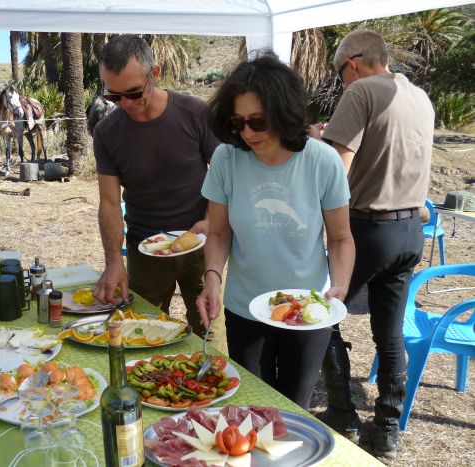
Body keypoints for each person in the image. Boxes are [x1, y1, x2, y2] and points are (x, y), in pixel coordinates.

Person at [196, 52, 355, 409]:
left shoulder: (322, 160)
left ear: (284, 113)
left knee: (292, 408)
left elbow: (341, 238)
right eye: (238, 123)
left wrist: (339, 287)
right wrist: (212, 280)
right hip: (244, 308)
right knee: (252, 404)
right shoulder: (226, 158)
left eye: (258, 121)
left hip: (305, 310)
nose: (247, 133)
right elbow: (219, 232)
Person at [317, 30, 434, 459]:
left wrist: (318, 142)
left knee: (323, 313)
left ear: (352, 64)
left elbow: (336, 170)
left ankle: (343, 413)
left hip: (367, 228)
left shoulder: (361, 90)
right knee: (389, 334)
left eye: (339, 73)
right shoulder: (419, 96)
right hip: (410, 231)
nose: (341, 82)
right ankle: (386, 427)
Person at [91, 34, 220, 338]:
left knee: (210, 336)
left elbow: (226, 174)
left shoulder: (195, 114)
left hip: (199, 244)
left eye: (134, 93)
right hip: (145, 250)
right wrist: (114, 262)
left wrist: (212, 219)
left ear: (155, 74)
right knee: (142, 336)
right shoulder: (107, 133)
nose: (125, 104)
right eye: (114, 96)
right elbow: (109, 203)